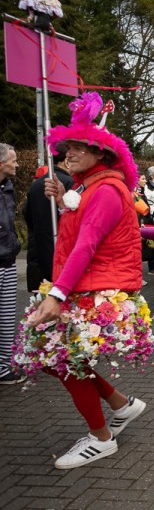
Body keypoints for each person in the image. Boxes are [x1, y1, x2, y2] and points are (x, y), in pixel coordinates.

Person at [15, 92, 153, 468]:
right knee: (56, 357)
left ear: (103, 154)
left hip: (96, 289)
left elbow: (87, 246)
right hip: (84, 286)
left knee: (58, 358)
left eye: (80, 147)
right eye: (68, 146)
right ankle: (120, 404)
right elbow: (81, 234)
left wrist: (56, 294)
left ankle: (101, 437)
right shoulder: (90, 188)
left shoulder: (106, 190)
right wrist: (63, 199)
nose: (68, 153)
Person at [22, 142, 73, 292]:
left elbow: (28, 216)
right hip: (61, 258)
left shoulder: (36, 184)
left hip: (37, 257)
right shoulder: (70, 183)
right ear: (66, 161)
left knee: (41, 309)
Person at [0, 143, 24, 385]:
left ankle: (4, 366)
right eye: (13, 160)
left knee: (7, 319)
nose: (16, 164)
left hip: (8, 260)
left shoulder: (8, 188)